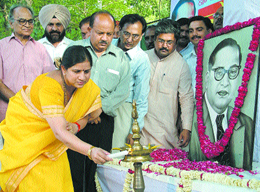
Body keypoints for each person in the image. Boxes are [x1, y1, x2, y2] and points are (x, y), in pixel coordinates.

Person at [0, 45, 112, 191]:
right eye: (76, 71)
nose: (82, 77)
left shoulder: (86, 86)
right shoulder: (49, 86)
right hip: (28, 142)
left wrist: (76, 126)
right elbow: (59, 131)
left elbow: (90, 115)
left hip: (54, 147)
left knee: (59, 184)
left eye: (87, 71)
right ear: (63, 69)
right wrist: (90, 151)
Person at [68, 10, 130, 192]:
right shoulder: (75, 49)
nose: (104, 38)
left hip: (102, 121)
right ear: (90, 29)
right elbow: (65, 82)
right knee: (74, 168)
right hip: (74, 120)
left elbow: (122, 92)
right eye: (100, 32)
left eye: (109, 34)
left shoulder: (120, 58)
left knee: (99, 170)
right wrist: (85, 113)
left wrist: (98, 109)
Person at [189, 38, 254, 170]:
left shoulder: (246, 123)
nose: (225, 82)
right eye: (219, 72)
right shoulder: (189, 117)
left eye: (233, 72)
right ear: (207, 77)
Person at [140, 19, 194, 149]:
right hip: (139, 130)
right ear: (155, 40)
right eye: (161, 41)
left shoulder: (181, 65)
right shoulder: (143, 58)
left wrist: (187, 128)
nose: (164, 45)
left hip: (166, 134)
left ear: (175, 43)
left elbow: (186, 98)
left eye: (169, 42)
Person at [0, 4, 55, 124]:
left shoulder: (40, 48)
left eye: (30, 21)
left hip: (36, 112)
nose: (27, 25)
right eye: (21, 21)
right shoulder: (1, 47)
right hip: (10, 111)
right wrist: (19, 102)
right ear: (10, 23)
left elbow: (49, 79)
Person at [111, 14, 150, 148]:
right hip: (97, 108)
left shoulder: (141, 59)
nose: (129, 39)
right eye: (126, 33)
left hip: (123, 111)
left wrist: (134, 131)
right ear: (119, 29)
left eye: (135, 36)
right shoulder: (107, 47)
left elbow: (141, 98)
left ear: (142, 35)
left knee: (115, 156)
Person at [182, 16, 213, 96]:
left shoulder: (217, 55)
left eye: (199, 30)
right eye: (191, 31)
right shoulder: (184, 59)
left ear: (209, 31)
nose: (194, 34)